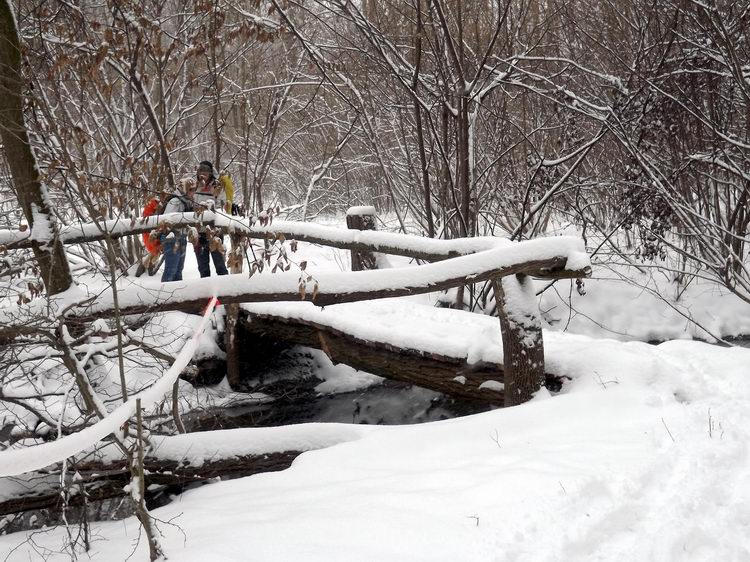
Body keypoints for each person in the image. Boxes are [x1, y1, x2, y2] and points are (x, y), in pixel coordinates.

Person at [193, 160, 229, 278]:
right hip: (199, 233)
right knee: (203, 268)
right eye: (200, 172)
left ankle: (226, 292)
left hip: (214, 232)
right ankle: (206, 293)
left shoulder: (217, 186)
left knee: (220, 265)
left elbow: (222, 206)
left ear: (210, 173)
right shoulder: (194, 186)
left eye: (206, 172)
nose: (203, 175)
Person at [160, 178, 196, 282]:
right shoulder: (175, 201)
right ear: (184, 189)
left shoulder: (187, 202)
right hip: (172, 239)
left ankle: (178, 294)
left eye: (194, 189)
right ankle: (165, 295)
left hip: (182, 238)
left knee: (179, 269)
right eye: (191, 189)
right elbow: (167, 220)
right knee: (171, 269)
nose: (193, 192)